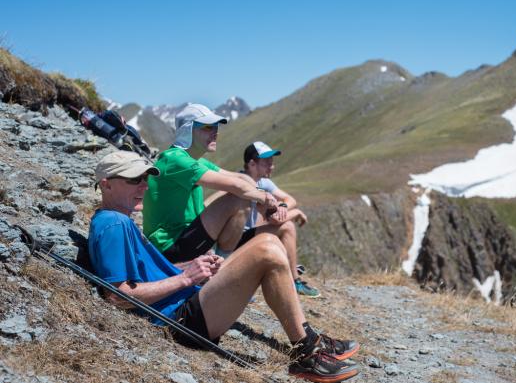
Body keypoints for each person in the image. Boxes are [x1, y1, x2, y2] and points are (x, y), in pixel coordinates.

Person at [87, 151, 360, 382]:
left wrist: (190, 266)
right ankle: (308, 352)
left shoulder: (118, 220)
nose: (144, 187)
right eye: (135, 180)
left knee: (270, 245)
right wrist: (185, 280)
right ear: (106, 184)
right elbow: (117, 296)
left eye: (145, 179)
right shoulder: (113, 224)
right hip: (181, 321)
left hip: (188, 306)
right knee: (266, 246)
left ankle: (309, 343)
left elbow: (143, 274)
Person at [142, 104, 276, 264]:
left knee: (245, 195)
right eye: (207, 127)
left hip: (186, 236)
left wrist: (262, 195)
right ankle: (223, 265)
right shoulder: (174, 160)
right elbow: (236, 186)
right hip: (169, 247)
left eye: (216, 127)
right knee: (239, 199)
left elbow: (241, 178)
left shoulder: (194, 160)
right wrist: (264, 198)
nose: (215, 132)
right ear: (187, 130)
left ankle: (220, 263)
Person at [211, 141, 318, 297]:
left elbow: (289, 199)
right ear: (252, 164)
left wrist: (283, 206)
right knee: (287, 226)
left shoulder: (263, 182)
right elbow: (275, 221)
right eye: (267, 162)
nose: (272, 166)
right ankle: (293, 280)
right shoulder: (237, 182)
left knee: (286, 225)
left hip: (247, 236)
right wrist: (295, 213)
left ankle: (291, 277)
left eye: (272, 162)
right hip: (232, 241)